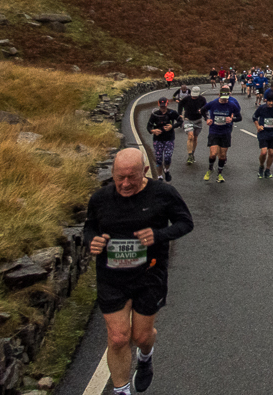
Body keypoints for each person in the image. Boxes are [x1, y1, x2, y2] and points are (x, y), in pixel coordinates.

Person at [84, 149, 194, 395]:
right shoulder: (100, 198)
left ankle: (145, 357)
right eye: (119, 177)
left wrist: (157, 235)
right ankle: (121, 390)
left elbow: (185, 223)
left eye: (131, 177)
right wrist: (92, 240)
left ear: (144, 171)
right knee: (118, 338)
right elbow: (90, 227)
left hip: (149, 275)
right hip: (111, 277)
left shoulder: (163, 193)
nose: (125, 184)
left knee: (141, 337)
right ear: (112, 173)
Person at [200, 86, 242, 182]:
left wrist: (232, 119)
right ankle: (210, 169)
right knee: (213, 154)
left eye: (226, 99)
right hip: (214, 131)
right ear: (219, 95)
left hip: (225, 132)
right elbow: (203, 110)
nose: (224, 101)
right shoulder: (213, 103)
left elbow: (239, 117)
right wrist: (207, 119)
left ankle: (219, 174)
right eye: (222, 99)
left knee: (222, 156)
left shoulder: (232, 105)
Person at [145, 97, 181, 182]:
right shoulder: (155, 114)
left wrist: (172, 126)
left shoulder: (172, 113)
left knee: (167, 158)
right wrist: (153, 131)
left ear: (167, 104)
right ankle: (160, 176)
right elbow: (148, 126)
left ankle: (167, 170)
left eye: (164, 106)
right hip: (158, 139)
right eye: (161, 106)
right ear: (158, 105)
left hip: (169, 138)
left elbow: (180, 121)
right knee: (159, 159)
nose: (163, 108)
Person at [252, 90, 273, 178]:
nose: (270, 103)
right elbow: (254, 117)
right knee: (263, 152)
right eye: (269, 101)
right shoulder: (262, 108)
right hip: (263, 132)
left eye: (272, 101)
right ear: (266, 100)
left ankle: (267, 169)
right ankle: (261, 166)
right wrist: (258, 126)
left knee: (271, 153)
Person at [175, 85, 207, 165]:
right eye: (193, 95)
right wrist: (180, 114)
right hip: (188, 120)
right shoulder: (186, 99)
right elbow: (180, 104)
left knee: (195, 138)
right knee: (190, 136)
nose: (194, 97)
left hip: (198, 120)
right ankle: (189, 155)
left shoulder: (202, 99)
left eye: (196, 96)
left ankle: (192, 153)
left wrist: (205, 116)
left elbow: (205, 108)